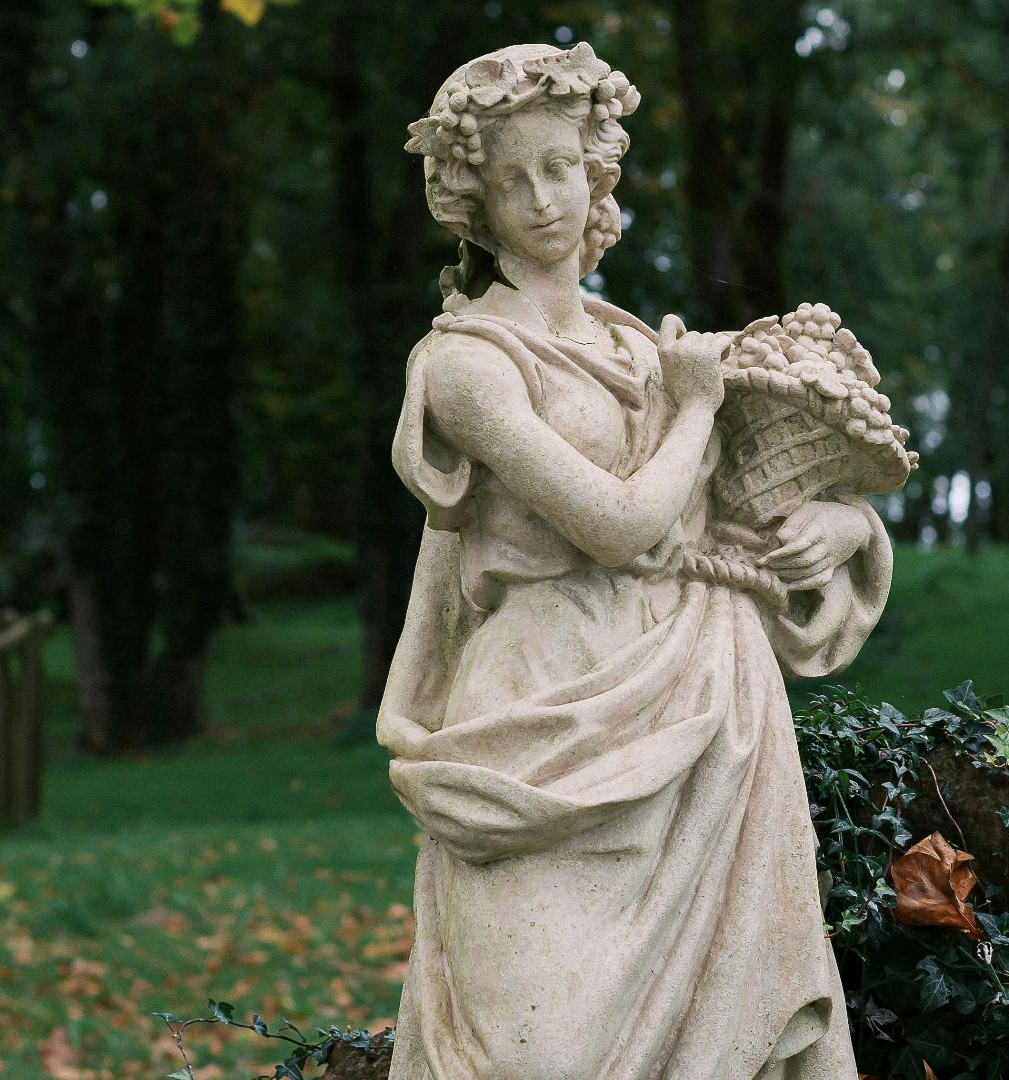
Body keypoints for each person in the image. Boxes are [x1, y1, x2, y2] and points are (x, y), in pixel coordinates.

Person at [379, 42, 891, 1080]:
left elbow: (727, 534)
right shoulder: (466, 366)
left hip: (707, 706)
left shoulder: (636, 347)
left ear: (596, 169)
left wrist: (846, 533)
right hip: (545, 704)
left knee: (728, 1031)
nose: (542, 198)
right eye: (511, 177)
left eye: (560, 166)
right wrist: (697, 406)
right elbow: (616, 526)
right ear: (471, 200)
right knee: (534, 1051)